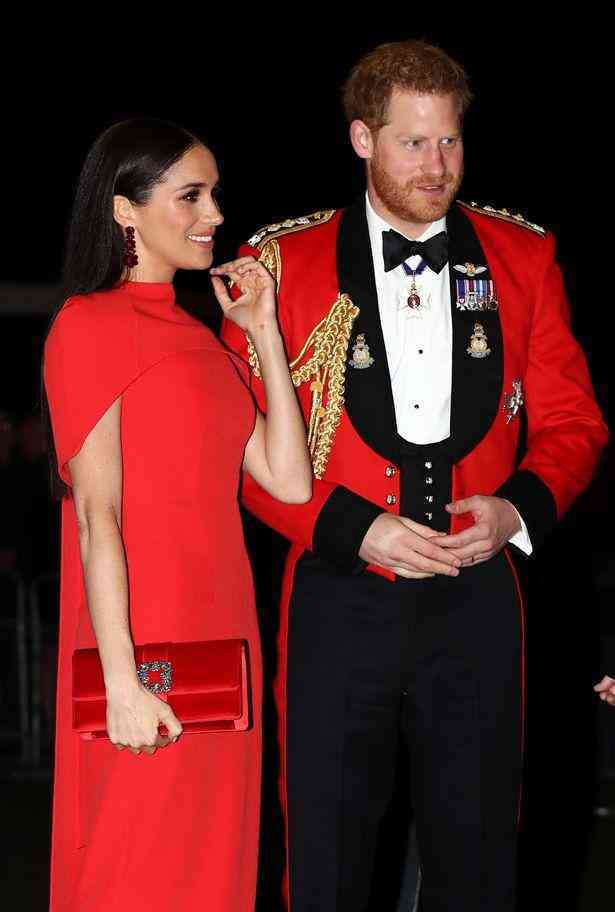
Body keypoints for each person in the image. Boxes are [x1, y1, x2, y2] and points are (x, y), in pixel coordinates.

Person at [221, 40, 609, 912]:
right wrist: (352, 528)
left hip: (479, 601)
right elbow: (235, 444)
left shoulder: (522, 256)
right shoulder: (278, 265)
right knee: (324, 855)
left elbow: (573, 424)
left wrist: (513, 513)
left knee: (477, 857)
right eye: (411, 143)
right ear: (361, 139)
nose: (436, 167)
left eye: (449, 141)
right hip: (335, 597)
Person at [43, 118, 311, 912]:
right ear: (124, 209)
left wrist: (262, 333)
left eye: (214, 194)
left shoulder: (202, 340)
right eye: (191, 195)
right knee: (138, 874)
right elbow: (97, 517)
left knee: (213, 875)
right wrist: (121, 683)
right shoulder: (88, 325)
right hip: (144, 655)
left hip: (223, 648)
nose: (214, 214)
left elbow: (289, 482)